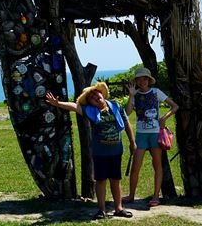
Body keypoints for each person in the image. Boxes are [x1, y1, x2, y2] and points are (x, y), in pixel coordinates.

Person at [46, 82, 135, 220]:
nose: (95, 96)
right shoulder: (91, 111)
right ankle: (101, 210)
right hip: (100, 152)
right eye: (91, 96)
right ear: (90, 103)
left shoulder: (116, 105)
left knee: (115, 180)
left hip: (116, 151)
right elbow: (75, 107)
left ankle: (119, 208)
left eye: (96, 93)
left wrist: (132, 142)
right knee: (100, 180)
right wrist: (58, 103)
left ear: (102, 93)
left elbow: (127, 123)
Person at [123, 67, 179, 207]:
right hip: (141, 135)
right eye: (139, 79)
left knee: (157, 165)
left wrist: (164, 118)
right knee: (136, 167)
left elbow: (175, 107)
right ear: (136, 81)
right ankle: (131, 195)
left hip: (155, 134)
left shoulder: (156, 92)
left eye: (144, 78)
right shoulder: (134, 95)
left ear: (149, 80)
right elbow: (127, 113)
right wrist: (131, 96)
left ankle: (155, 197)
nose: (142, 81)